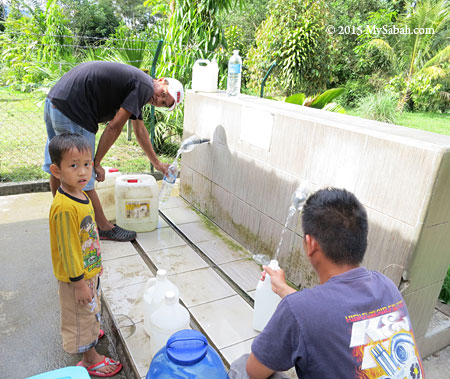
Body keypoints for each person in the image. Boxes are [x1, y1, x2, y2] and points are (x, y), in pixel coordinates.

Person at [229, 188, 424, 379]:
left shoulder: (297, 310)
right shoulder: (386, 285)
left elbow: (254, 371)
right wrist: (281, 287)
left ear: (311, 244)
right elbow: (323, 314)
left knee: (242, 367)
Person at [43, 60, 184, 242]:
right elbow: (114, 127)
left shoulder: (139, 84)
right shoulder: (144, 86)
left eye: (164, 103)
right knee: (83, 174)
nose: (159, 100)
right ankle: (103, 227)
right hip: (75, 111)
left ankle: (61, 218)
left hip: (55, 102)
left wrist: (157, 163)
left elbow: (140, 130)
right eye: (163, 94)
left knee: (58, 166)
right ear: (161, 80)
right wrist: (96, 163)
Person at [48, 132, 122, 377]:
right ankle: (90, 358)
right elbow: (69, 251)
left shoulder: (80, 195)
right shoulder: (64, 208)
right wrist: (79, 283)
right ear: (56, 171)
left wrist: (94, 266)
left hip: (87, 272)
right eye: (73, 165)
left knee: (90, 310)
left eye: (87, 164)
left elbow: (86, 236)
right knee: (79, 315)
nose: (83, 172)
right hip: (75, 278)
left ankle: (89, 331)